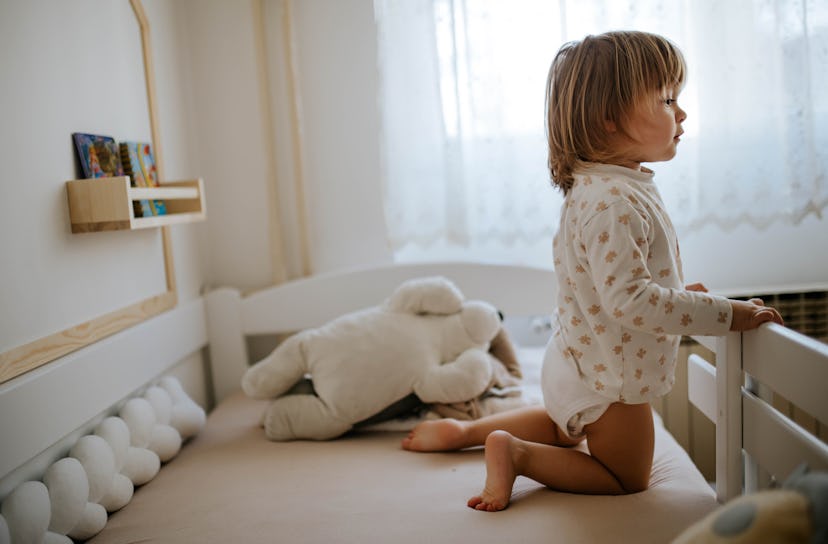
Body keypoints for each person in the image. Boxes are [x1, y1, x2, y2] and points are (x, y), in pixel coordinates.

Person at [401, 30, 784, 512]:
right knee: (625, 478)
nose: (681, 113)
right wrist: (726, 314)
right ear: (608, 121)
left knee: (567, 423)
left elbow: (607, 283)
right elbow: (630, 300)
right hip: (611, 379)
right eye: (667, 99)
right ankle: (517, 455)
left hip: (580, 358)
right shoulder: (616, 202)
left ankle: (467, 433)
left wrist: (679, 293)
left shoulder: (598, 188)